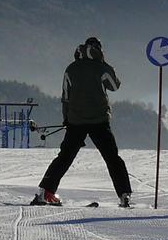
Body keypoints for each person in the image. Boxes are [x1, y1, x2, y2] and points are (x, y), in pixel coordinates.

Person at [33, 37, 133, 207]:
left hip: (76, 121)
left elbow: (65, 97)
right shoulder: (101, 67)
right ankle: (124, 195)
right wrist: (103, 62)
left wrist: (66, 118)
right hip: (99, 120)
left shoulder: (70, 69)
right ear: (98, 50)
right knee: (112, 158)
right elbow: (115, 85)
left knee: (64, 157)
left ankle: (45, 193)